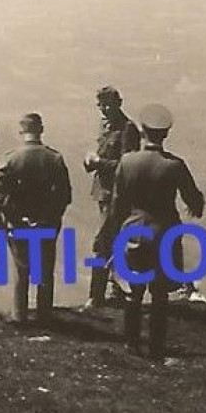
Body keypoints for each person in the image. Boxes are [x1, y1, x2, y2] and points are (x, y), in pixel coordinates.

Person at [113, 104, 205, 360]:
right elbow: (195, 202)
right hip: (164, 233)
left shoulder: (127, 162)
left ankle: (131, 345)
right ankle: (156, 348)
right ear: (165, 134)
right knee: (160, 294)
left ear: (142, 131)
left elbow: (117, 205)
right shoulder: (175, 166)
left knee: (134, 291)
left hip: (133, 231)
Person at [0, 112, 72, 326]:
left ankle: (19, 317)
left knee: (21, 271)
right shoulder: (54, 158)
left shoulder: (10, 158)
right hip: (46, 224)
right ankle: (44, 317)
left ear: (21, 131)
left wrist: (16, 218)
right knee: (45, 271)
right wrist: (49, 218)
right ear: (41, 130)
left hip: (18, 224)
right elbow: (64, 196)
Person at [81, 85, 141, 309]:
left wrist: (99, 163)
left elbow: (128, 166)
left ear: (119, 103)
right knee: (111, 240)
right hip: (104, 193)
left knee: (103, 241)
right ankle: (114, 291)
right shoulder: (105, 126)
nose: (104, 109)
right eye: (101, 105)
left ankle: (97, 295)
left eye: (107, 104)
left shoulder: (127, 130)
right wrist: (91, 162)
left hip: (118, 195)